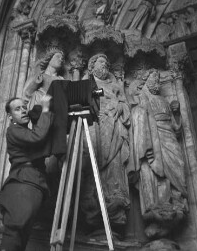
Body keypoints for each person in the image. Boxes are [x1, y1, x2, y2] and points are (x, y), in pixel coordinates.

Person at [127, 69, 188, 238]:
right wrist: (144, 142)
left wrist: (175, 113)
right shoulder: (140, 99)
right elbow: (135, 118)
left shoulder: (163, 100)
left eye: (159, 79)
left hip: (168, 136)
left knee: (177, 168)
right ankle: (156, 208)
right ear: (145, 80)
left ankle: (174, 203)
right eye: (154, 78)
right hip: (151, 139)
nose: (157, 81)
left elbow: (176, 129)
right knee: (153, 174)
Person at [80, 53, 130, 237]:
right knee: (94, 164)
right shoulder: (86, 83)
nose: (106, 65)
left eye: (108, 62)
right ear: (92, 65)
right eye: (102, 62)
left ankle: (115, 202)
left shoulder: (114, 86)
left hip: (115, 128)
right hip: (97, 127)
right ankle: (94, 205)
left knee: (114, 166)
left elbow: (124, 105)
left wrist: (119, 107)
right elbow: (83, 100)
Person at [0, 94, 53, 251]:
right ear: (10, 116)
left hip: (31, 182)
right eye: (17, 109)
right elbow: (38, 137)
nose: (23, 111)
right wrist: (46, 108)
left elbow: (42, 143)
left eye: (24, 107)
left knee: (20, 239)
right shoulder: (14, 130)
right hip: (22, 184)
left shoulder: (23, 131)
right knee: (14, 237)